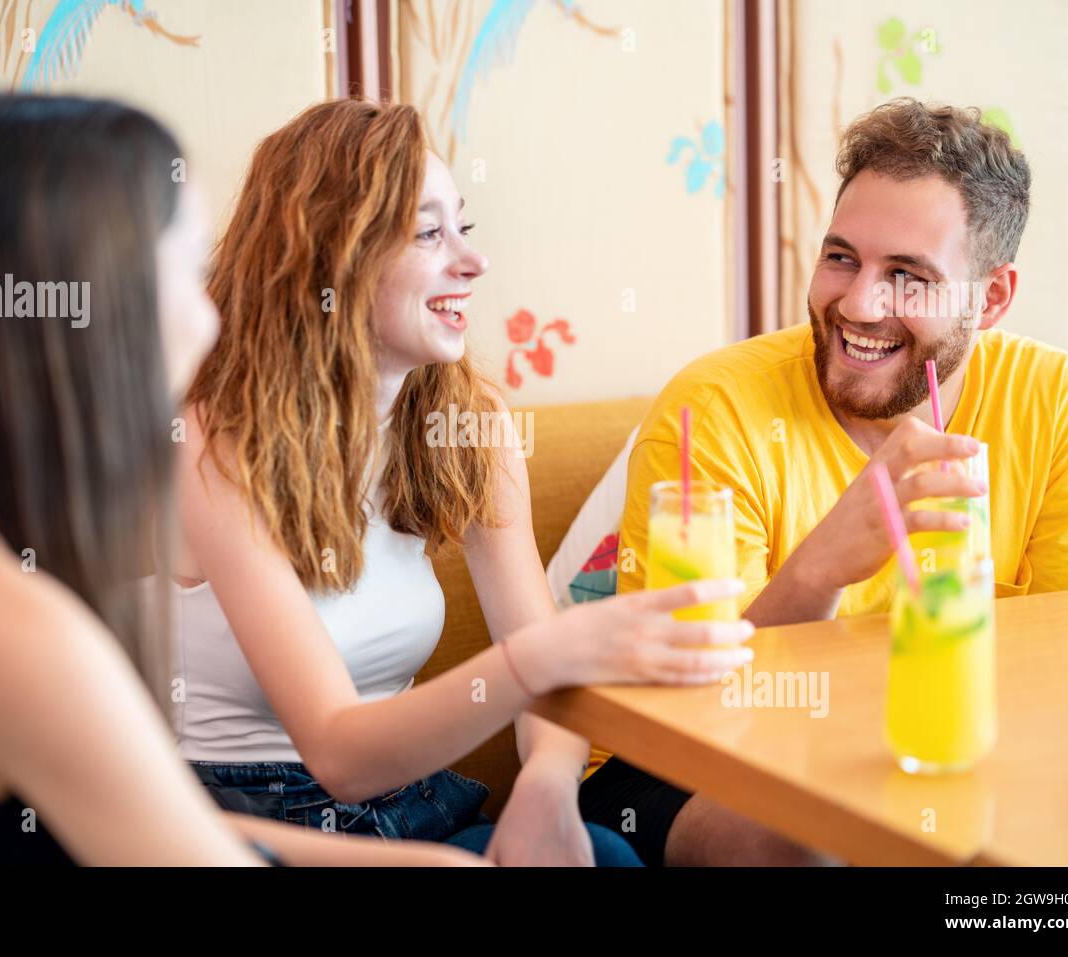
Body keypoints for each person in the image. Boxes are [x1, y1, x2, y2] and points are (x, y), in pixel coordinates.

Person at [0, 94, 484, 866]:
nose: (212, 317)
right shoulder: (13, 626)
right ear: (95, 300)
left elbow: (174, 831)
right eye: (188, 266)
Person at [165, 97, 755, 865]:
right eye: (427, 233)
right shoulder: (214, 437)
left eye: (464, 228)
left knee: (606, 854)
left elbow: (541, 669)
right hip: (242, 819)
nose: (472, 262)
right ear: (330, 257)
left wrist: (547, 779)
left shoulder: (466, 423)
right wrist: (544, 660)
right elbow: (339, 751)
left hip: (404, 804)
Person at [580, 97, 1068, 866]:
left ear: (992, 297)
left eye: (908, 276)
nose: (859, 303)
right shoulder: (715, 408)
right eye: (842, 258)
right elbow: (688, 707)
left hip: (939, 759)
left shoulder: (1063, 408)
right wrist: (826, 561)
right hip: (678, 771)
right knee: (818, 840)